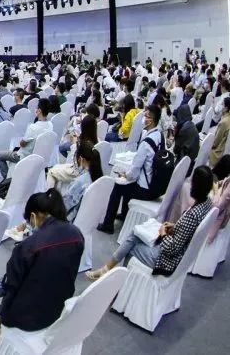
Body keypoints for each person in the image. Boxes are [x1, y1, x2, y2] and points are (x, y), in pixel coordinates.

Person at [0, 189, 84, 341]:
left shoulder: (29, 246)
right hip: (58, 311)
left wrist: (3, 315)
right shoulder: (77, 235)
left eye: (28, 222)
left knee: (11, 282)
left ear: (33, 216)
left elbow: (10, 285)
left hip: (25, 319)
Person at [87, 165, 215, 281]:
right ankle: (107, 270)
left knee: (132, 247)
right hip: (176, 254)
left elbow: (172, 249)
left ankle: (121, 282)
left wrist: (163, 233)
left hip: (166, 261)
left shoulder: (193, 215)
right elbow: (189, 232)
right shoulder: (207, 204)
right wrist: (175, 226)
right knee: (135, 234)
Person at [98, 104, 166, 234]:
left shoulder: (146, 143)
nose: (144, 118)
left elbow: (134, 172)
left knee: (119, 186)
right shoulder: (159, 135)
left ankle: (108, 224)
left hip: (146, 189)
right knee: (127, 184)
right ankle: (124, 214)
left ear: (152, 120)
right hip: (156, 186)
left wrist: (125, 175)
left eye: (146, 116)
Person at [0, 98, 53, 179]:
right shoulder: (50, 125)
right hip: (40, 156)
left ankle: (7, 180)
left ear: (39, 110)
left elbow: (22, 144)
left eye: (36, 108)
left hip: (24, 156)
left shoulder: (33, 127)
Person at [47, 114, 99, 189]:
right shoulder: (98, 141)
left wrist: (74, 144)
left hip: (78, 172)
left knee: (51, 171)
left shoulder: (82, 143)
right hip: (89, 171)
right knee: (56, 167)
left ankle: (50, 195)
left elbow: (75, 161)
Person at [61, 144, 103, 220]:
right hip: (91, 219)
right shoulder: (101, 179)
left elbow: (64, 206)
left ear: (81, 159)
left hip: (70, 220)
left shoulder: (80, 182)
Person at [210, 98, 230, 166]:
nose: (220, 105)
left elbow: (215, 143)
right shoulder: (226, 118)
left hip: (217, 154)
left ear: (226, 108)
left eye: (222, 104)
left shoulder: (224, 122)